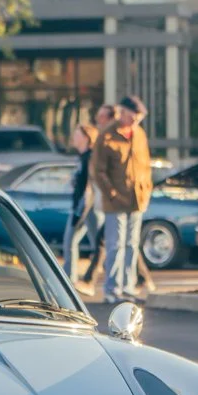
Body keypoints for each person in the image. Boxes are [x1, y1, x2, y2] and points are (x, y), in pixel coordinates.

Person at [90, 95, 152, 303]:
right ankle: (112, 288)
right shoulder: (107, 136)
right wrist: (112, 193)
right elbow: (99, 170)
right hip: (115, 200)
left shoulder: (140, 134)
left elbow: (145, 165)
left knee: (132, 244)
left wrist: (147, 189)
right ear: (122, 112)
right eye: (133, 117)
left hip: (138, 198)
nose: (135, 121)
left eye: (138, 118)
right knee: (115, 245)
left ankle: (128, 285)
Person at [78, 104, 115, 287]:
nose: (98, 121)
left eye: (102, 117)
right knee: (115, 241)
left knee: (103, 241)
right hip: (104, 200)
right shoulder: (103, 140)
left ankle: (89, 279)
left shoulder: (111, 140)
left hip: (114, 200)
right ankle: (143, 278)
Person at [62, 120, 98, 286]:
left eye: (77, 135)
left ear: (86, 137)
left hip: (87, 207)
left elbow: (88, 186)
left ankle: (76, 278)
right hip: (81, 205)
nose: (74, 138)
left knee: (98, 245)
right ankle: (70, 277)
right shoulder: (82, 157)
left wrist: (80, 209)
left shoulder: (89, 157)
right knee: (72, 241)